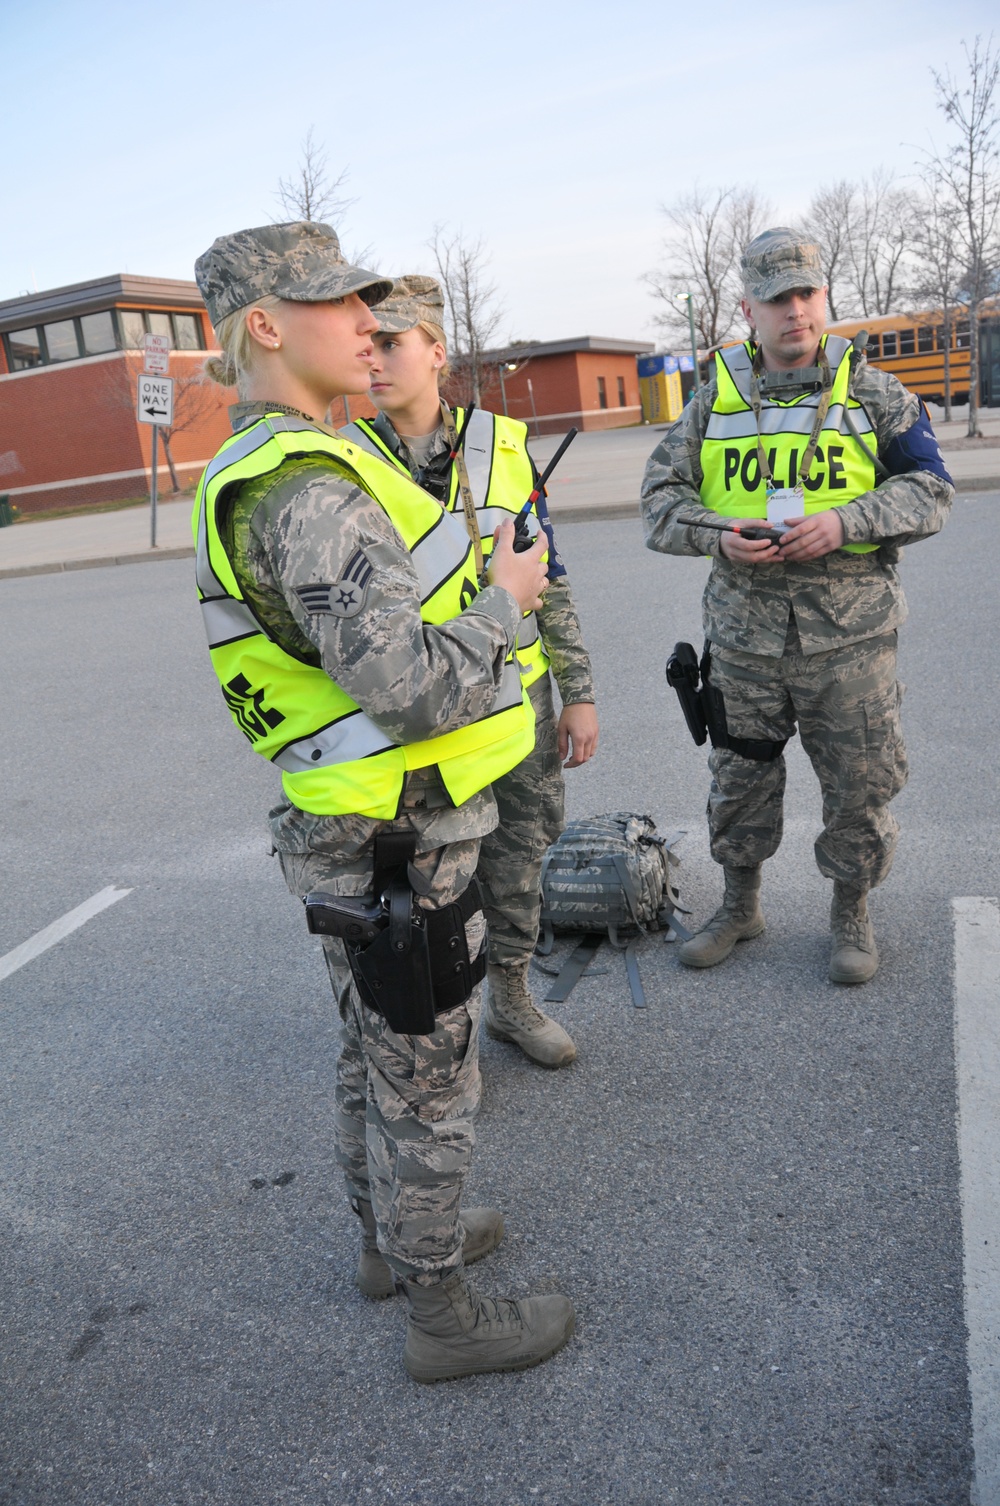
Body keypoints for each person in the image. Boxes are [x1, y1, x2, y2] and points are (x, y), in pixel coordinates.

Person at [192, 221, 574, 1382]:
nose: (370, 323)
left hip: (347, 828)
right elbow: (407, 688)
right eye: (339, 305)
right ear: (266, 326)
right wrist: (509, 599)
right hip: (398, 834)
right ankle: (441, 1313)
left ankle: (390, 1248)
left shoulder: (298, 459)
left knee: (373, 1055)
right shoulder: (306, 485)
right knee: (428, 1079)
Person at [641, 228, 953, 985]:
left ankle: (851, 913)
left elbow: (932, 491)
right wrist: (719, 536)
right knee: (739, 783)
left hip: (850, 644)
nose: (795, 311)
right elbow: (659, 500)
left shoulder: (875, 395)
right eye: (776, 298)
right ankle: (742, 905)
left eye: (806, 293)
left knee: (859, 784)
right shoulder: (714, 398)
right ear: (748, 308)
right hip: (744, 644)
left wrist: (847, 523)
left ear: (824, 298)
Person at [339, 275, 599, 1066]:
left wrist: (579, 693)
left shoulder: (506, 448)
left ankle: (513, 997)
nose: (374, 358)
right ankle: (443, 1016)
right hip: (419, 705)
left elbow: (547, 580)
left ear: (435, 351)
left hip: (514, 697)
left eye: (391, 342)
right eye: (366, 343)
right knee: (428, 872)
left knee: (519, 854)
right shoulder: (342, 461)